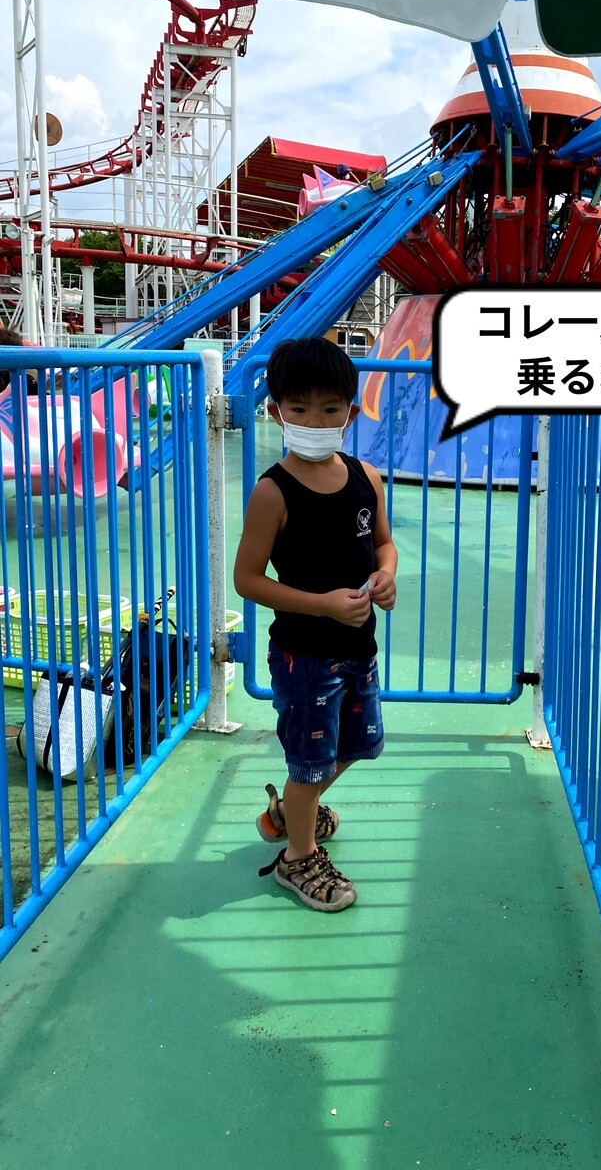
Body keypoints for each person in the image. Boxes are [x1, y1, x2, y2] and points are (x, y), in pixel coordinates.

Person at [233, 336, 398, 913]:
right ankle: (297, 857)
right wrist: (323, 605)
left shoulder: (365, 476)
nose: (314, 421)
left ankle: (289, 811)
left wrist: (385, 576)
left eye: (329, 409)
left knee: (354, 745)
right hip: (304, 657)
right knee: (308, 765)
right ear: (276, 412)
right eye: (298, 409)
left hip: (358, 649)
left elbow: (383, 544)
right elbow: (247, 579)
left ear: (350, 413)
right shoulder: (272, 493)